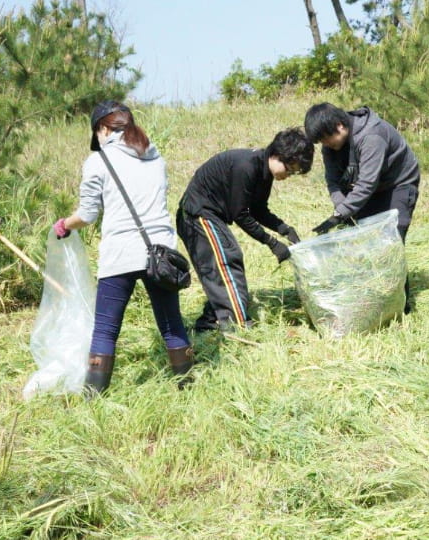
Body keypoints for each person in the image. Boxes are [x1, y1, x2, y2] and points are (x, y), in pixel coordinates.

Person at [53, 100, 193, 394]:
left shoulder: (98, 161)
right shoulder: (156, 157)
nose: (99, 140)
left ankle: (93, 398)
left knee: (105, 329)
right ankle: (188, 388)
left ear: (104, 129)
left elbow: (88, 215)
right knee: (171, 324)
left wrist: (65, 224)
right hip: (161, 253)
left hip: (121, 254)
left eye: (98, 134)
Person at [176, 128, 313, 332]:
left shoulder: (264, 171)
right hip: (196, 215)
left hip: (208, 216)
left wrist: (284, 229)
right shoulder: (247, 166)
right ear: (279, 154)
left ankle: (209, 323)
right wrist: (272, 243)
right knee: (228, 260)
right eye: (290, 168)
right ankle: (238, 325)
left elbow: (257, 210)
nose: (289, 175)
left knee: (220, 267)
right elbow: (240, 214)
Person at [303, 103, 420, 311]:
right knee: (363, 241)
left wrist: (341, 213)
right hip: (368, 188)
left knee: (390, 242)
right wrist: (341, 211)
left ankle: (400, 306)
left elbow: (367, 183)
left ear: (339, 126)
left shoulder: (371, 136)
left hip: (397, 184)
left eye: (327, 139)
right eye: (321, 141)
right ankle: (371, 299)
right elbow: (333, 181)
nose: (326, 144)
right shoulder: (330, 145)